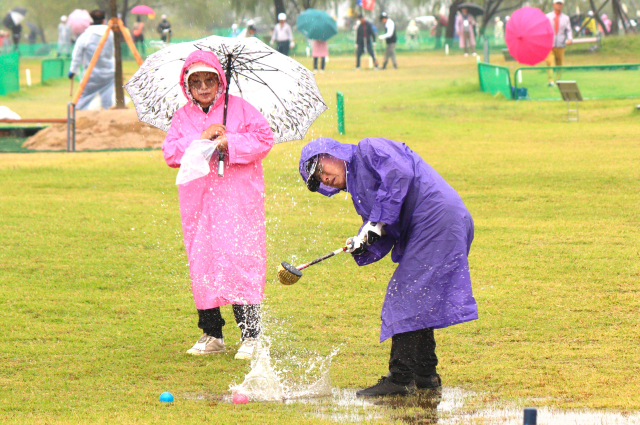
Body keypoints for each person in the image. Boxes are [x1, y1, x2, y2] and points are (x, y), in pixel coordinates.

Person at [299, 137, 477, 397]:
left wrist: (376, 223)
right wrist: (362, 240)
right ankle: (425, 374)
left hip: (436, 220)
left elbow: (399, 175)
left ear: (332, 153)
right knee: (420, 296)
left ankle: (400, 378)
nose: (323, 177)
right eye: (316, 178)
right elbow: (384, 225)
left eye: (321, 167)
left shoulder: (368, 149)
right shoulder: (358, 191)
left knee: (405, 294)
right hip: (431, 225)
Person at [162, 50, 274, 360]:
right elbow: (171, 153)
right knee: (203, 262)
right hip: (198, 204)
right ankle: (212, 332)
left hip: (238, 200)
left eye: (209, 80)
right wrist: (201, 138)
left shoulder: (240, 109)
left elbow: (264, 139)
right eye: (195, 81)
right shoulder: (183, 116)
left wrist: (230, 142)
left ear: (219, 80)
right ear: (187, 85)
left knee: (240, 260)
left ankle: (250, 335)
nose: (203, 87)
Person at [68, 10, 115, 111]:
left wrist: (73, 70)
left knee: (83, 100)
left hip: (91, 75)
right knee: (108, 102)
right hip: (109, 74)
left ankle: (77, 119)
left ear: (90, 21)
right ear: (104, 20)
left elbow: (77, 55)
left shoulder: (86, 36)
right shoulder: (111, 34)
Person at [546, 0, 573, 86]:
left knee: (559, 63)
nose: (559, 5)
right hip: (549, 44)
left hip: (561, 44)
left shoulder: (566, 18)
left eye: (560, 4)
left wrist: (570, 39)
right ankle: (550, 80)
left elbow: (568, 30)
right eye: (557, 4)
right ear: (554, 5)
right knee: (549, 62)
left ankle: (558, 80)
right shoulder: (547, 17)